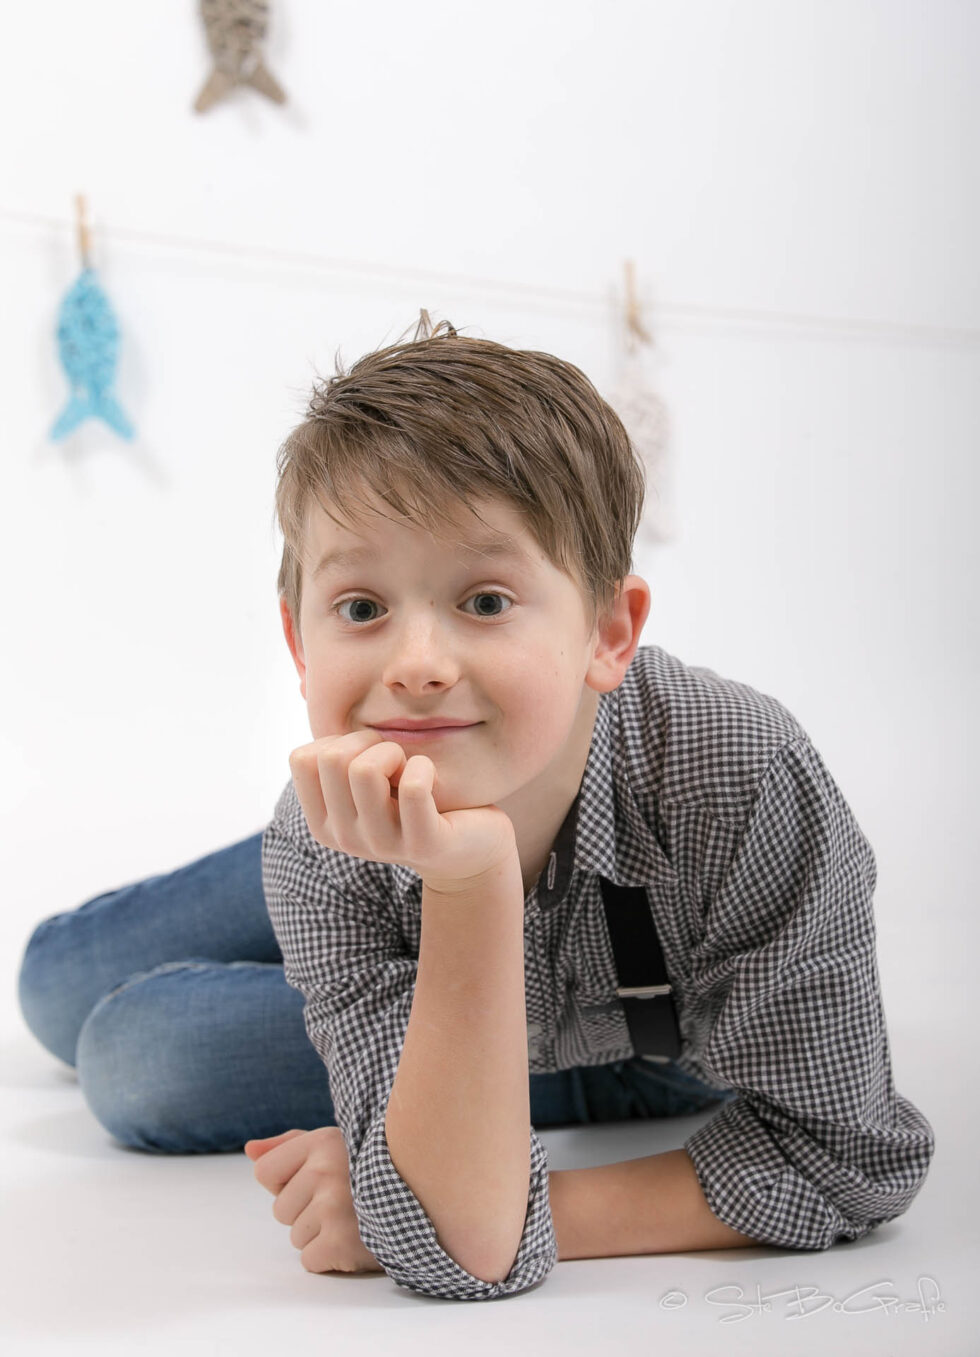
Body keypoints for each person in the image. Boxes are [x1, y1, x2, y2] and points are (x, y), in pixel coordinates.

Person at [17, 313, 935, 1303]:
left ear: (606, 631)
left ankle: (511, 1073)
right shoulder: (315, 839)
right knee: (56, 982)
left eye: (484, 601)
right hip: (371, 841)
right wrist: (434, 1173)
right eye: (362, 608)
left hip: (645, 1048)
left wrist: (490, 1191)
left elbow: (851, 1157)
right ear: (298, 641)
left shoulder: (741, 775)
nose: (413, 666)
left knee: (134, 1059)